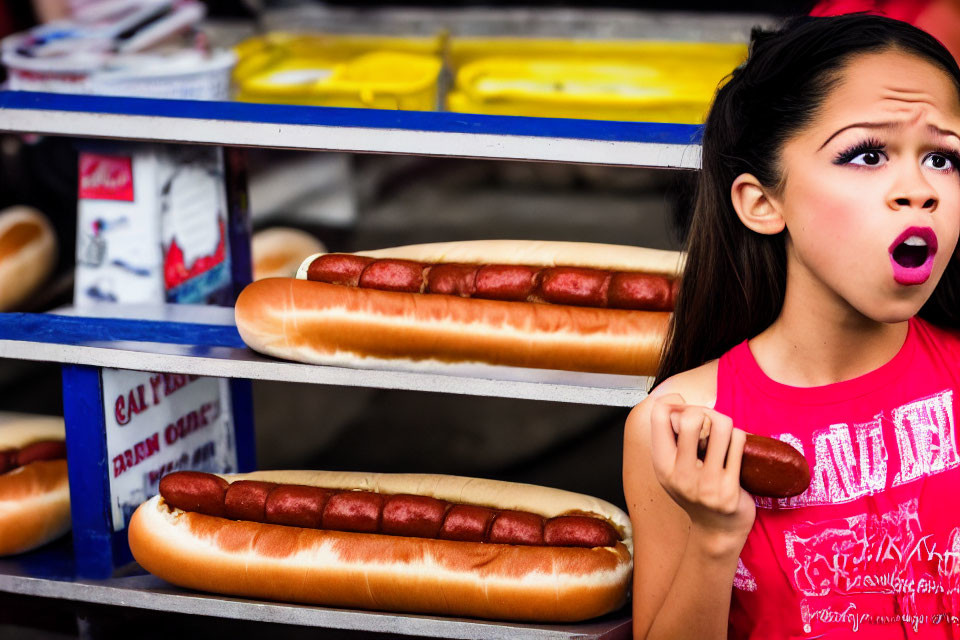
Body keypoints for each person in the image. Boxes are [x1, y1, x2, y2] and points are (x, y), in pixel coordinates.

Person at [622, 14, 960, 640]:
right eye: (867, 154)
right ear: (762, 202)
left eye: (942, 157)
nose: (920, 190)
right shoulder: (678, 425)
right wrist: (715, 539)